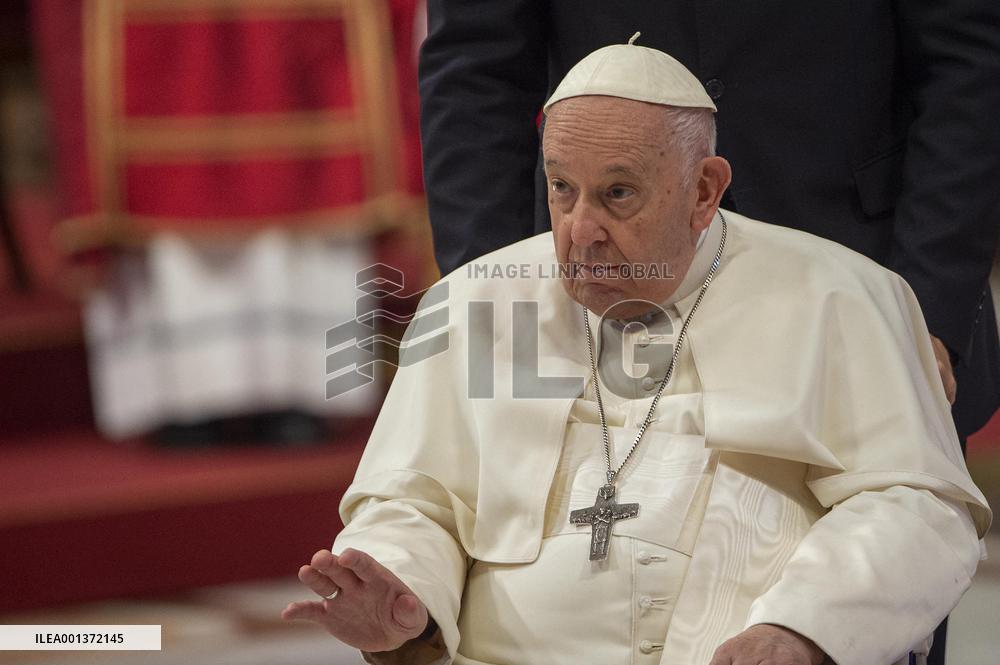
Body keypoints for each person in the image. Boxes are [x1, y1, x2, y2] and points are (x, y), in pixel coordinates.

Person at [283, 45, 990, 665]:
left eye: (618, 193)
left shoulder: (843, 296)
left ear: (704, 191)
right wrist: (404, 592)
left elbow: (915, 505)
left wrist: (801, 628)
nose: (579, 230)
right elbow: (414, 499)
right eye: (561, 188)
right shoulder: (474, 303)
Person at [417, 0, 1000, 450]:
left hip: (859, 265)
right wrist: (498, 302)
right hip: (599, 295)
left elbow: (969, 66)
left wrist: (925, 310)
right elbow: (475, 71)